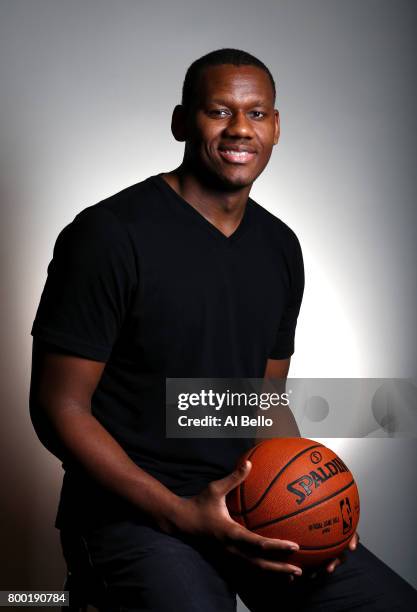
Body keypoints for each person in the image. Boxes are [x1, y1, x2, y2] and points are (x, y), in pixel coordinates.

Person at [30, 48, 416, 611]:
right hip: (134, 520)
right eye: (219, 111)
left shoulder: (280, 247)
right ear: (182, 122)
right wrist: (182, 513)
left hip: (249, 505)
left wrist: (317, 505)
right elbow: (58, 410)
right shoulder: (108, 235)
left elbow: (262, 401)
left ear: (277, 127)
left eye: (257, 113)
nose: (240, 128)